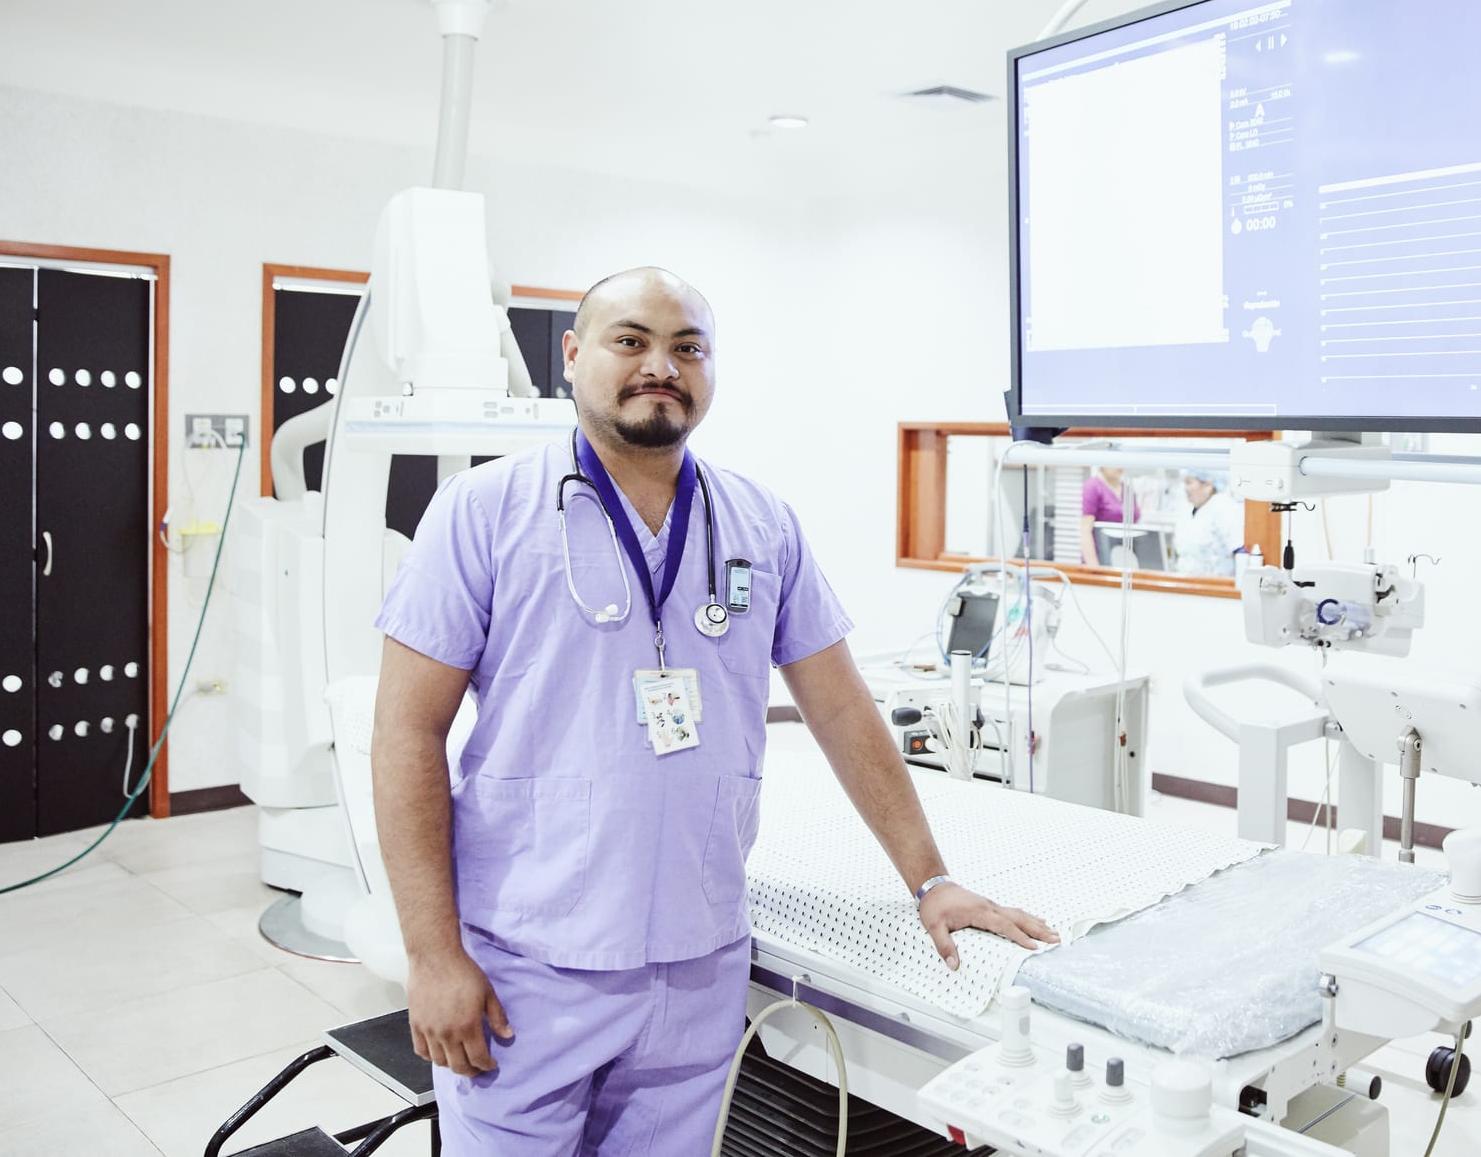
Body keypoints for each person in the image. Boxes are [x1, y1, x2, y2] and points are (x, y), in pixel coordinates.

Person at [370, 267, 1055, 1155]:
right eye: (631, 340)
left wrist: (931, 879)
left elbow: (842, 710)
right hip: (528, 967)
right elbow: (404, 734)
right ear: (572, 358)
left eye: (687, 347)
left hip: (696, 967)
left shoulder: (758, 523)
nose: (661, 365)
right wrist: (433, 957)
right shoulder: (481, 513)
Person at [1172, 470, 1239, 577]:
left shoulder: (1224, 507)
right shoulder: (1189, 508)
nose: (1185, 488)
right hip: (1187, 583)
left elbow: (1239, 549)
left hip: (1216, 585)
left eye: (1189, 482)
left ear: (1208, 485)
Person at [1078, 464, 1137, 567]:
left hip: (1123, 559)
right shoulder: (1093, 487)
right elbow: (1085, 530)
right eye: (1114, 462)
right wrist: (1094, 567)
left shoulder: (1127, 489)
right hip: (1100, 558)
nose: (1119, 466)